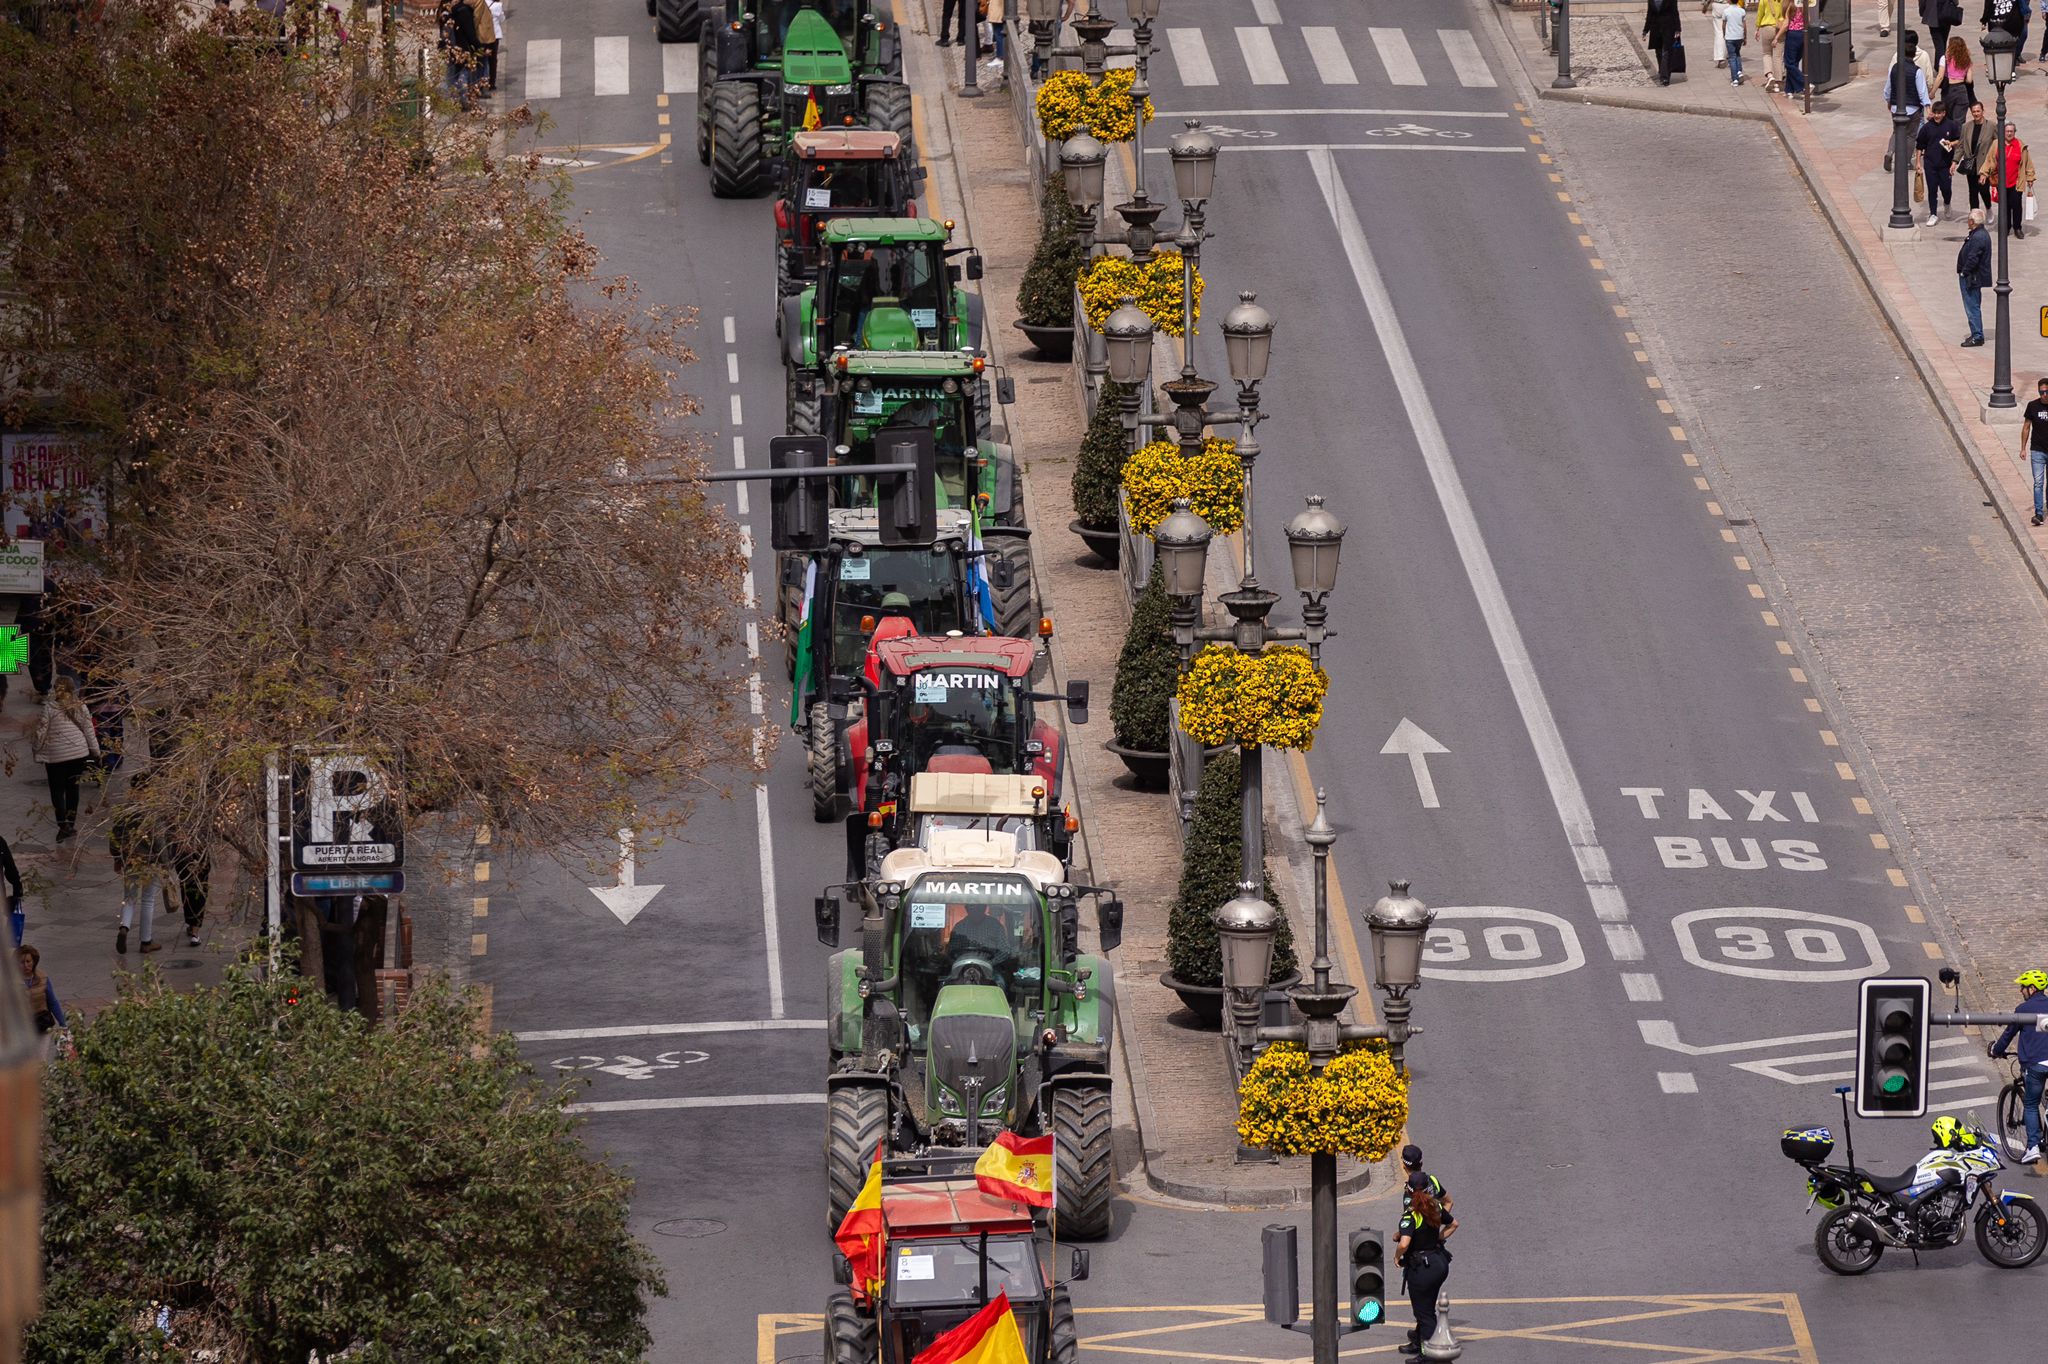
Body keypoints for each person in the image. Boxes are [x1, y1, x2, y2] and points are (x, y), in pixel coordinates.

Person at [1991, 970, 2048, 1164]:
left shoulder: (2023, 1009)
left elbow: (2008, 1035)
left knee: (2031, 1104)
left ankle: (2032, 1147)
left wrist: (1995, 1050)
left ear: (2032, 988)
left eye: (2023, 987)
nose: (2020, 990)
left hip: (2035, 1064)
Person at [1396, 1175, 1457, 1357]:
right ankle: (1420, 1345)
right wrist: (1437, 1238)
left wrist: (1396, 1256)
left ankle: (1430, 1356)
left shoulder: (1411, 1214)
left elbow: (1404, 1244)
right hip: (1439, 1263)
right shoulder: (1436, 1207)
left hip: (1423, 1269)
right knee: (1427, 1309)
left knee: (1424, 1315)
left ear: (1410, 1190)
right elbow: (1454, 1224)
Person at [33, 676, 97, 842]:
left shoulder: (49, 708)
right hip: (78, 754)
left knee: (57, 791)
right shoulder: (80, 706)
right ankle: (71, 823)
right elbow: (89, 730)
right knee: (73, 789)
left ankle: (63, 825)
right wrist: (96, 752)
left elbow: (41, 732)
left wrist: (36, 749)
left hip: (55, 757)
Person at [110, 796, 162, 956]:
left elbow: (114, 837)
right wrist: (166, 861)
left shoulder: (125, 812)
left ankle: (124, 926)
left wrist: (117, 857)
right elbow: (160, 839)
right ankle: (146, 941)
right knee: (148, 900)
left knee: (129, 898)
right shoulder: (153, 812)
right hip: (150, 860)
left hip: (131, 859)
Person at [1980, 121, 2037, 239]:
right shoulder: (1996, 144)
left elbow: (2028, 163)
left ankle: (2017, 227)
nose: (2009, 133)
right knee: (2004, 206)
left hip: (2016, 181)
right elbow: (1990, 160)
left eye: (2011, 131)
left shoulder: (2021, 145)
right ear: (2003, 132)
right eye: (2007, 131)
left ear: (2014, 132)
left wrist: (2030, 177)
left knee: (2016, 205)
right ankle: (2006, 227)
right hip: (2001, 182)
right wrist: (1984, 173)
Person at [1883, 38, 1931, 173]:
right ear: (1914, 54)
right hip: (1913, 109)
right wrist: (1928, 106)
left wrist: (1888, 100)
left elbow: (1888, 88)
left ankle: (1889, 152)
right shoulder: (1917, 71)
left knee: (1896, 131)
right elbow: (1922, 91)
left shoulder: (1894, 68)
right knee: (1910, 135)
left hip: (1895, 107)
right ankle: (1906, 161)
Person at [1919, 101, 1961, 222]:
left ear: (1944, 113)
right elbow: (1920, 145)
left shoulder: (1951, 125)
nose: (1936, 116)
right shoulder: (1927, 127)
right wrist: (1918, 163)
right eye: (1935, 113)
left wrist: (1951, 143)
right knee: (1932, 189)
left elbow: (1959, 140)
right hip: (1930, 164)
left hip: (1945, 164)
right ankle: (1933, 214)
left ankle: (1947, 204)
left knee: (1946, 189)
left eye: (1939, 113)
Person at [1958, 207, 1992, 345]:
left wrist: (1964, 272)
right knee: (1973, 305)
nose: (1967, 221)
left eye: (1968, 219)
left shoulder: (1978, 237)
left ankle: (1977, 336)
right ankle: (1975, 333)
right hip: (1973, 276)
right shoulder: (1978, 234)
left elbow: (1973, 258)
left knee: (1972, 306)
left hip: (1972, 277)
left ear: (1972, 221)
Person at [18, 944, 64, 1038]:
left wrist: (63, 1023)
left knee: (40, 1053)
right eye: (22, 962)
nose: (26, 965)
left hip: (42, 1025)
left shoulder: (43, 978)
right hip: (20, 1028)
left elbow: (53, 1002)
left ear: (34, 962)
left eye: (28, 961)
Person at [1960, 101, 1997, 212]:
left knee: (1984, 189)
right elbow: (1961, 145)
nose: (1976, 114)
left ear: (1982, 111)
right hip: (1971, 164)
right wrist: (1954, 161)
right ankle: (1974, 215)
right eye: (1974, 111)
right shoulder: (1966, 126)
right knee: (1972, 191)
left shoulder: (1991, 126)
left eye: (1978, 111)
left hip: (1984, 163)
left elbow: (1997, 143)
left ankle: (1988, 207)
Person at [1399, 1144, 1453, 1214]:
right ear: (1421, 1163)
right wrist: (1438, 1221)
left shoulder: (1409, 1190)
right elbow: (1449, 1202)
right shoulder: (1432, 1180)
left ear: (1404, 1166)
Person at [2024, 380, 2048, 524]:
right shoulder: (2032, 406)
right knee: (2038, 482)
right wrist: (2022, 448)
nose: (2044, 395)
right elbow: (2026, 427)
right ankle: (2038, 513)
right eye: (2041, 392)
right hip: (2037, 450)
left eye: (2046, 392)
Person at [1645, 0, 1683, 84]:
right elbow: (1650, 13)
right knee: (1658, 52)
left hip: (1668, 28)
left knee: (1666, 52)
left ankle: (1665, 77)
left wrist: (1678, 29)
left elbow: (1675, 12)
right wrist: (1645, 30)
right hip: (1656, 28)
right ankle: (1662, 71)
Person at [1940, 36, 1975, 116]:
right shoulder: (1967, 60)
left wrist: (1932, 92)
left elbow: (1940, 76)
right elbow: (1969, 80)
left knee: (1947, 117)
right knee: (1960, 119)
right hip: (1961, 89)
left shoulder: (1945, 58)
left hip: (1949, 89)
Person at [1714, 0, 1747, 83]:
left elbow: (1724, 25)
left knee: (1732, 57)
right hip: (1739, 36)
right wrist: (1745, 36)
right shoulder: (1742, 11)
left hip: (1730, 37)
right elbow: (1744, 25)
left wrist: (1725, 34)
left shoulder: (1726, 11)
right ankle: (1739, 71)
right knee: (1738, 54)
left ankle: (1735, 79)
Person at [1756, 0, 1786, 89]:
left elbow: (1760, 13)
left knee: (1767, 53)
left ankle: (1770, 76)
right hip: (1780, 28)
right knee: (1778, 56)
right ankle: (1779, 80)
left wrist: (1757, 28)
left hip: (1767, 27)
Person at [1783, 2, 1806, 94]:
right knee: (1794, 62)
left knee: (1788, 63)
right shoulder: (1803, 7)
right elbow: (1808, 20)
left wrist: (1776, 37)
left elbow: (1785, 24)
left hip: (1792, 34)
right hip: (1802, 34)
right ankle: (1789, 89)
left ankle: (1804, 82)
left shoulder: (1790, 6)